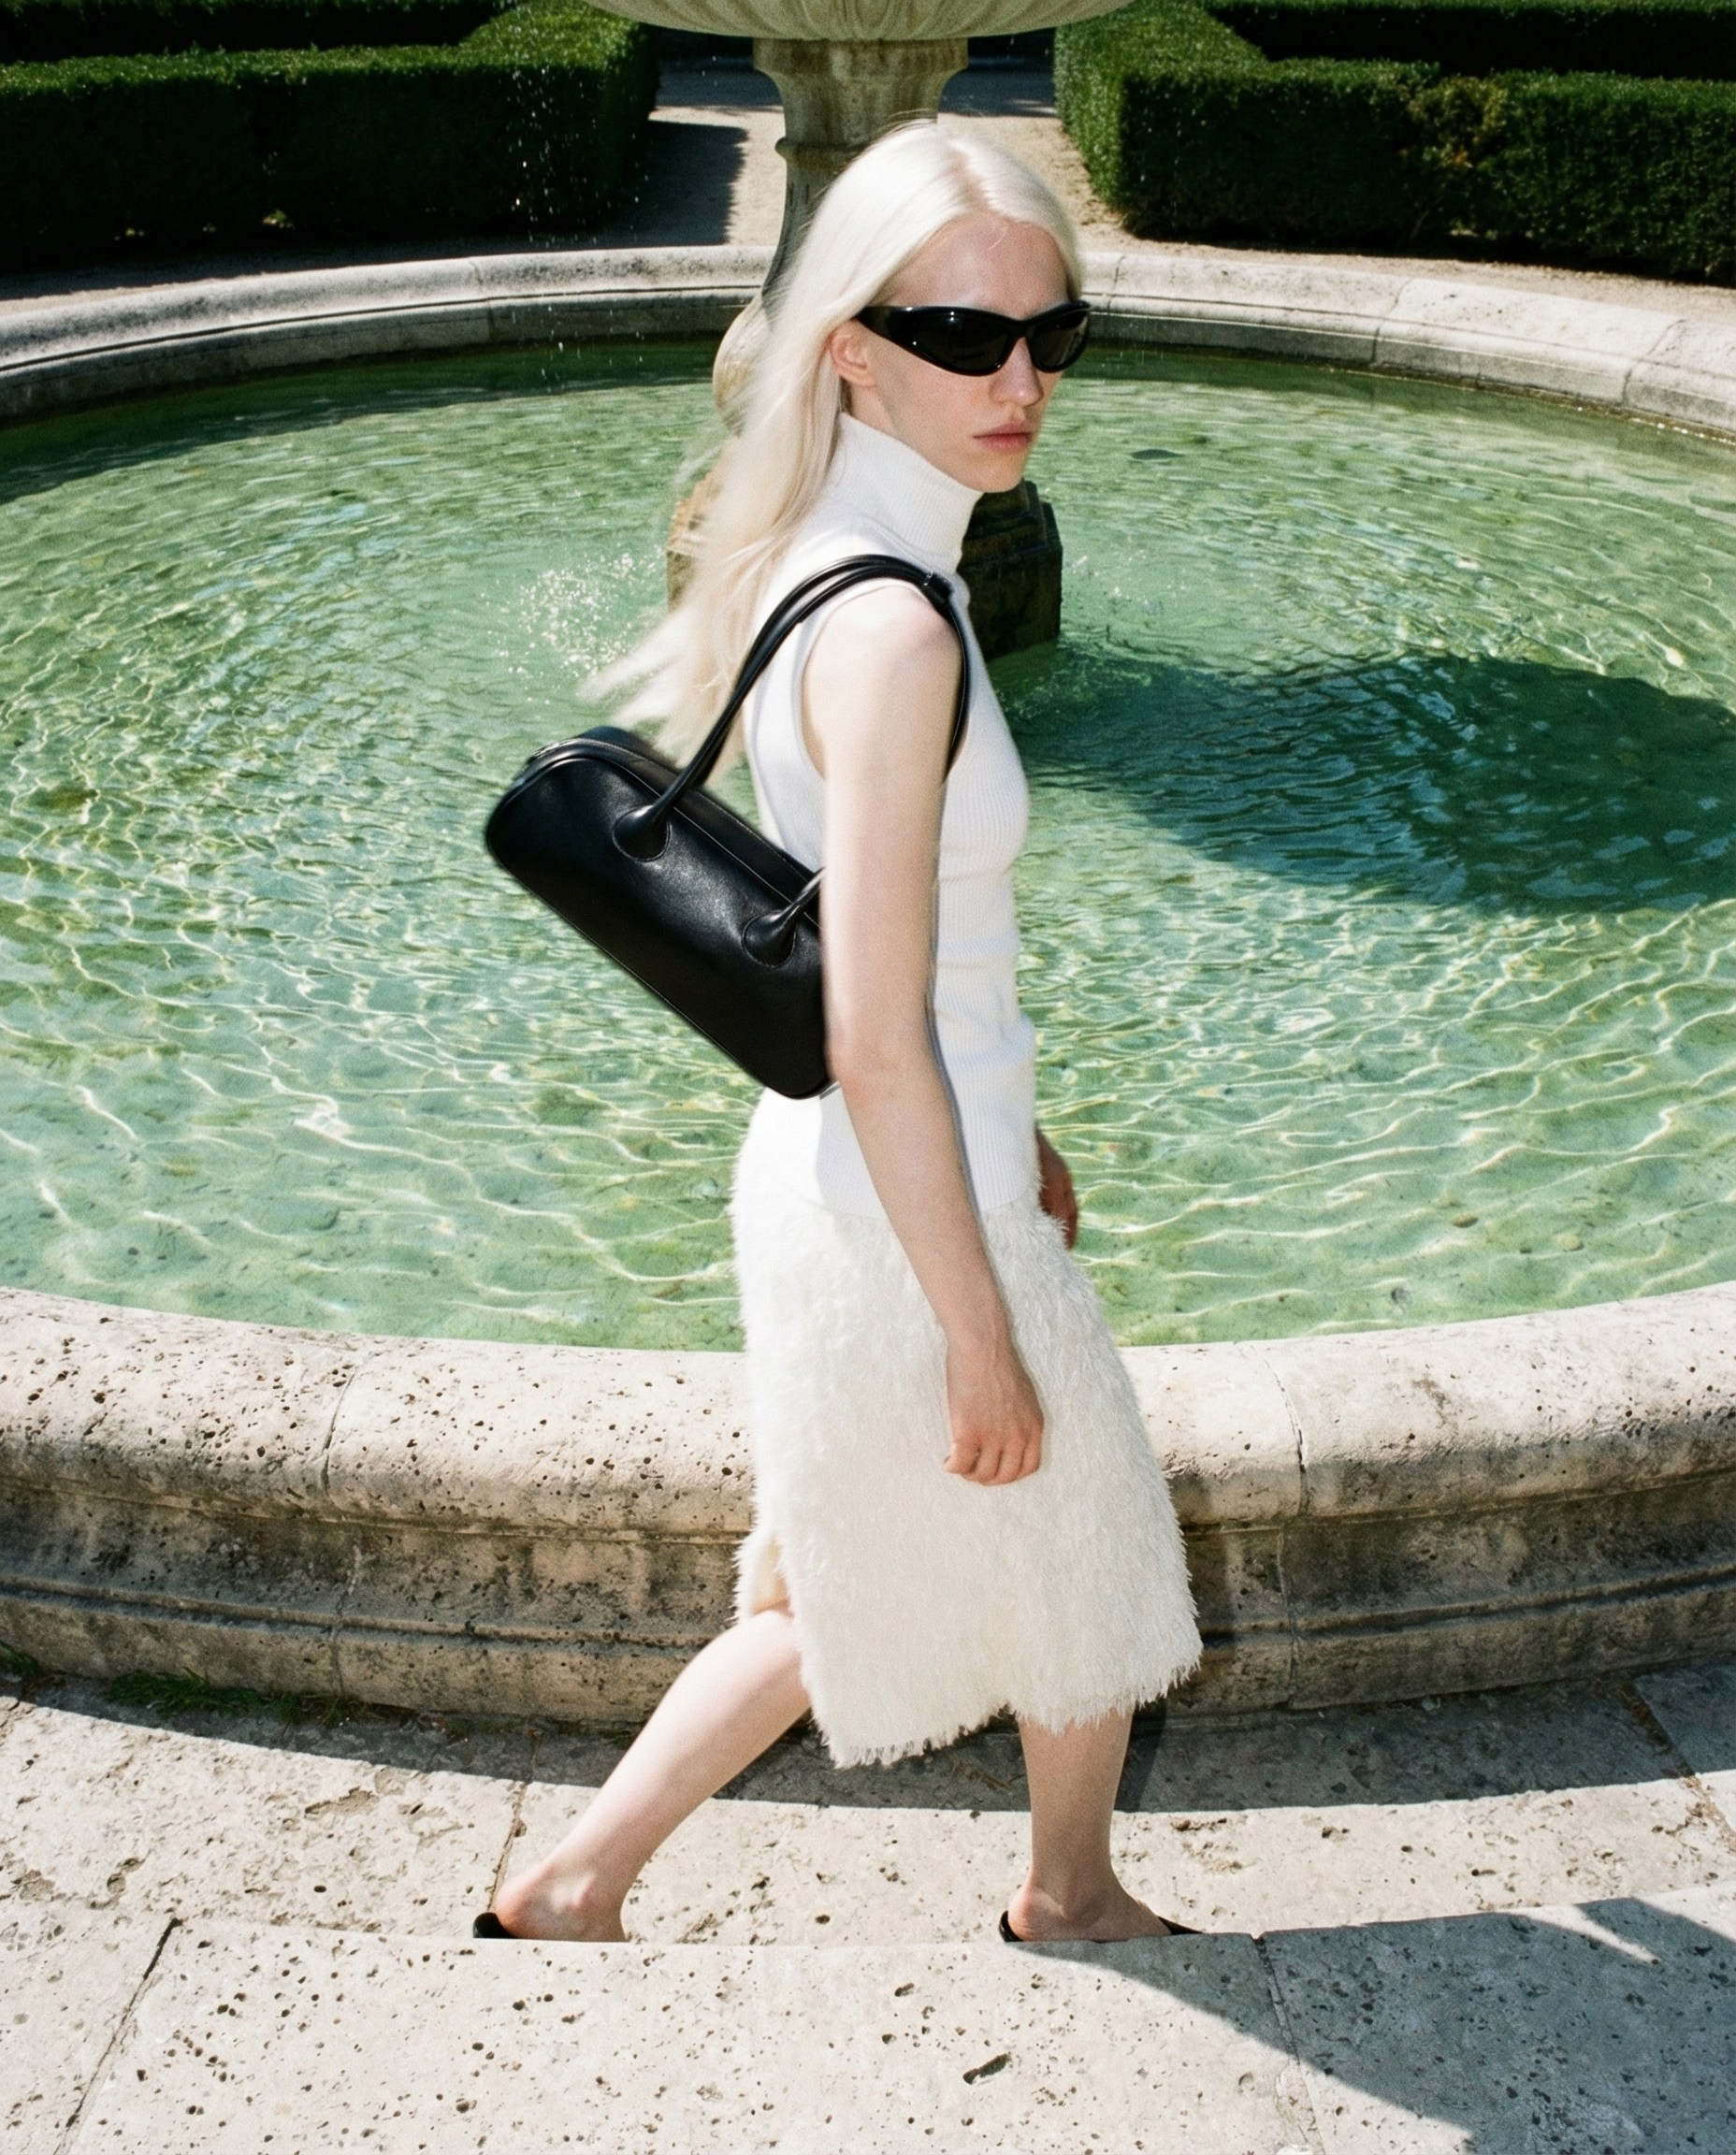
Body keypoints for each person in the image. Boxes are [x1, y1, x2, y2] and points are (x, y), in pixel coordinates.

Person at [484, 123, 1201, 1947]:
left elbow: (909, 971)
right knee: (1085, 1552)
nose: (1020, 379)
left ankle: (580, 1881)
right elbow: (879, 1029)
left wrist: (1021, 1132)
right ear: (852, 349)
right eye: (963, 335)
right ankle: (1066, 1892)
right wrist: (978, 1331)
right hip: (901, 1197)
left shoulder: (830, 556)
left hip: (868, 1172)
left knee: (842, 1588)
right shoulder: (897, 630)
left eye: (1052, 333)